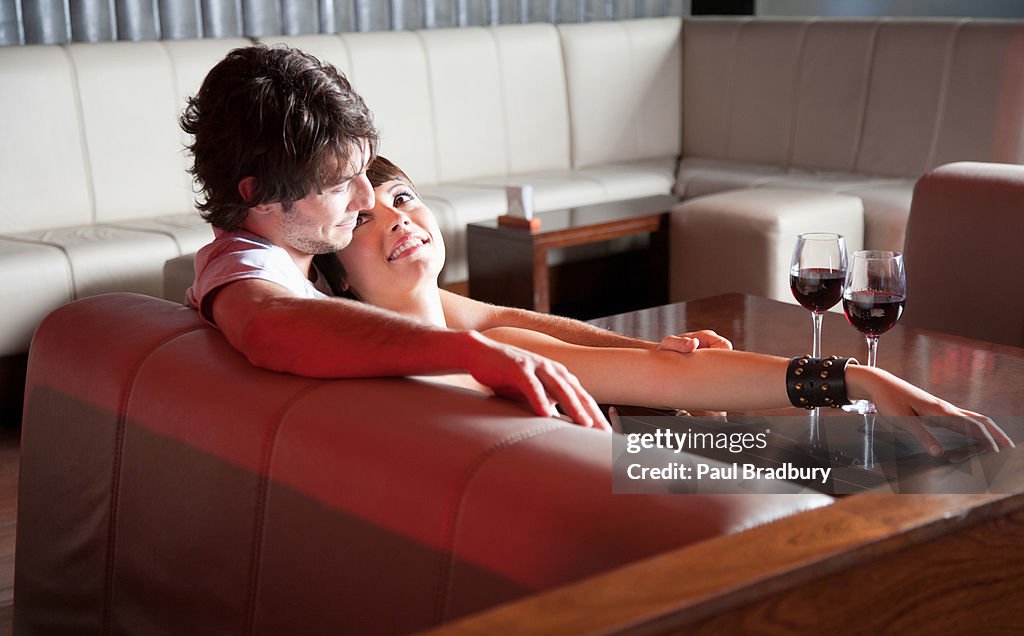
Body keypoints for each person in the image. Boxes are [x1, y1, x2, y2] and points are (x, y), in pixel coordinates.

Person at [179, 44, 729, 432]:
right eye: (338, 184)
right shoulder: (243, 267)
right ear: (257, 194)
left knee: (754, 452)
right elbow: (267, 325)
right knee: (758, 472)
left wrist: (653, 352)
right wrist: (469, 355)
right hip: (461, 467)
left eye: (364, 176)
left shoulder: (307, 252)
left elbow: (489, 320)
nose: (366, 200)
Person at [323, 155, 1013, 454]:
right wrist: (858, 375)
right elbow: (656, 381)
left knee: (812, 434)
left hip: (631, 460)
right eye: (361, 220)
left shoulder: (432, 319)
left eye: (404, 197)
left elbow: (510, 319)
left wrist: (647, 355)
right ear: (337, 275)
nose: (396, 218)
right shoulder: (464, 351)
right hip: (626, 481)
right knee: (879, 459)